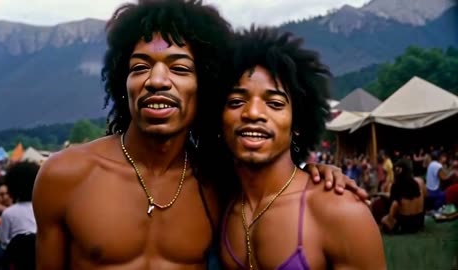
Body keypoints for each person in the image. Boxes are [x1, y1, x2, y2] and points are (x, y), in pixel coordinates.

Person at [33, 1, 366, 269]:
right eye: (139, 67)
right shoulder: (65, 175)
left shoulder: (218, 181)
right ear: (123, 84)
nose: (158, 80)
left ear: (205, 86)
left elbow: (272, 176)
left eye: (179, 68)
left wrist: (317, 171)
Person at [219, 27, 385, 269]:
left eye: (274, 103)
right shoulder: (217, 202)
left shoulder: (341, 211)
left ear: (298, 123)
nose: (252, 113)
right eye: (236, 101)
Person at [381, 159, 425, 234]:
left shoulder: (396, 185)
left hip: (406, 224)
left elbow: (395, 204)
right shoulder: (416, 183)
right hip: (419, 221)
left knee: (383, 219)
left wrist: (389, 219)